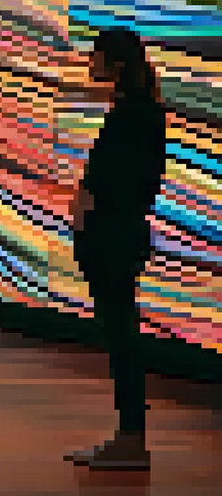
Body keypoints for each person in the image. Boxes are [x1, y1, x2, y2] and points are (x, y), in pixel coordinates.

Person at [65, 28, 167, 471]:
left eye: (97, 57)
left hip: (112, 236)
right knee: (121, 334)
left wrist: (87, 215)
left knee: (121, 337)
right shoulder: (143, 112)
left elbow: (107, 181)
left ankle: (130, 441)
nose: (91, 65)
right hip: (120, 234)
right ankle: (128, 438)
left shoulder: (131, 116)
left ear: (117, 64)